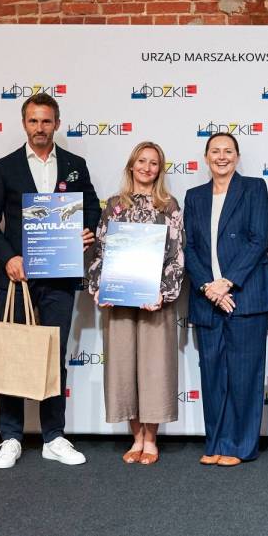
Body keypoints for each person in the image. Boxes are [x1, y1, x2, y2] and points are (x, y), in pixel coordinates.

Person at [0, 92, 100, 469]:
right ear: (24, 124)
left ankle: (53, 436)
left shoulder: (75, 165)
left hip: (60, 277)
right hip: (17, 278)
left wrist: (87, 230)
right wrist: (8, 258)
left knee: (53, 355)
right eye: (33, 121)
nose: (40, 127)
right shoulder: (5, 167)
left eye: (46, 121)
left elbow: (92, 207)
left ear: (57, 124)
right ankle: (11, 437)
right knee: (12, 355)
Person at [183, 133, 268, 467]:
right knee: (212, 376)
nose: (221, 156)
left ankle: (241, 445)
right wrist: (208, 287)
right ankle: (216, 442)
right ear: (206, 157)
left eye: (228, 151)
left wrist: (226, 283)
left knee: (244, 376)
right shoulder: (194, 196)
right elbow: (189, 247)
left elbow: (258, 240)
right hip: (206, 299)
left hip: (245, 296)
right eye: (215, 151)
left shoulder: (253, 188)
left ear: (237, 156)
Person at [87, 142, 185, 466]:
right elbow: (100, 251)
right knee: (123, 366)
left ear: (159, 170)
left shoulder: (169, 206)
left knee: (155, 367)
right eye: (141, 161)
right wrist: (99, 287)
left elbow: (177, 254)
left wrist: (163, 292)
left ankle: (151, 439)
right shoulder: (113, 205)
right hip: (119, 300)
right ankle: (136, 437)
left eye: (153, 163)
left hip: (155, 300)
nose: (146, 167)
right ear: (131, 165)